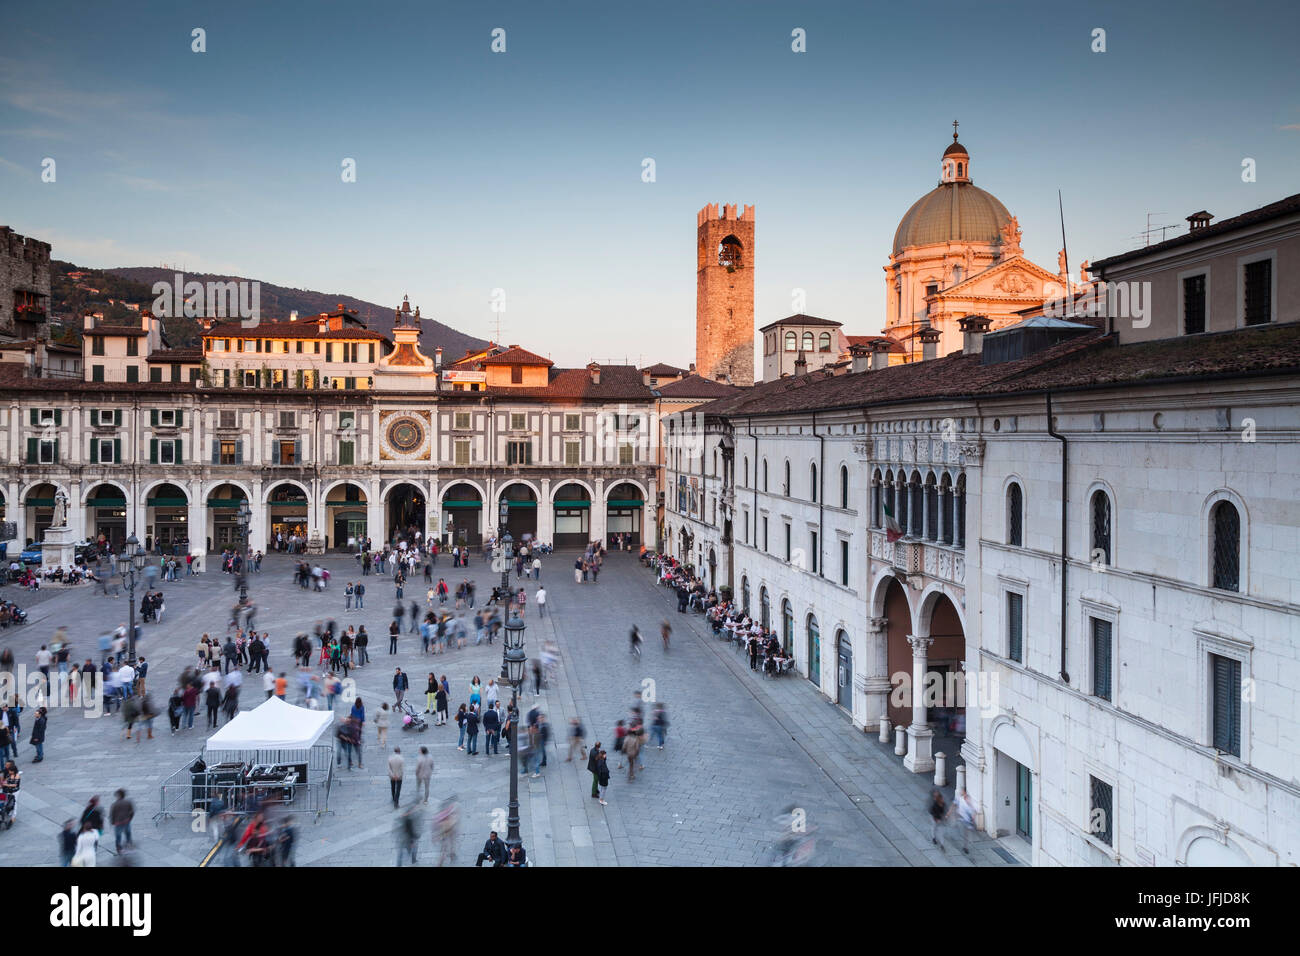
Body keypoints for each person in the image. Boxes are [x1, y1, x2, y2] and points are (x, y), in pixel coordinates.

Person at [109, 789, 134, 853]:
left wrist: (112, 822)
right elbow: (132, 812)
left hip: (118, 823)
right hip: (126, 821)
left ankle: (119, 847)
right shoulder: (128, 802)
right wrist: (130, 818)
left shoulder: (115, 804)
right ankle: (128, 843)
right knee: (128, 832)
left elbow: (112, 814)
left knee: (118, 835)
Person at [954, 788, 978, 854]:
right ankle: (966, 845)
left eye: (962, 791)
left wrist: (973, 817)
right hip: (962, 818)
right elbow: (955, 805)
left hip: (968, 820)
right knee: (964, 833)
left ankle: (966, 846)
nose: (961, 792)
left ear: (964, 792)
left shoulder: (970, 800)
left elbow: (975, 809)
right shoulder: (960, 799)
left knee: (966, 833)